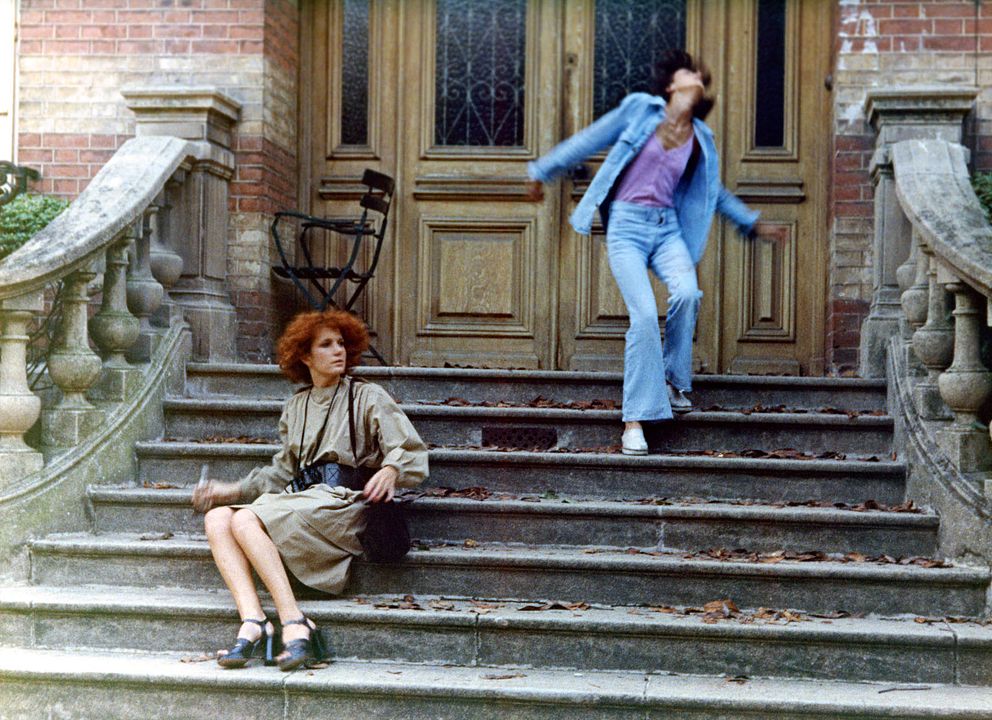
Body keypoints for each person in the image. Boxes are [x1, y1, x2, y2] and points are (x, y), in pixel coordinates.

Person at [526, 49, 785, 455]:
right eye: (689, 71)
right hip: (627, 228)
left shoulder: (701, 137)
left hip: (667, 230)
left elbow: (712, 192)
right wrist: (541, 170)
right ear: (670, 84)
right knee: (645, 316)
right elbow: (590, 138)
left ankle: (672, 382)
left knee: (688, 293)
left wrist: (750, 222)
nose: (697, 76)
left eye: (700, 74)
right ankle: (634, 421)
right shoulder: (640, 110)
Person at [191, 309, 428, 670]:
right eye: (326, 345)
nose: (338, 351)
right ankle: (253, 621)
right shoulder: (296, 406)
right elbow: (281, 472)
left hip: (343, 504)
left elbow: (410, 447)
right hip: (302, 501)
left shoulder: (367, 396)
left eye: (341, 343)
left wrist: (392, 469)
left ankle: (294, 621)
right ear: (304, 356)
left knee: (244, 521)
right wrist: (229, 491)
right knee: (218, 519)